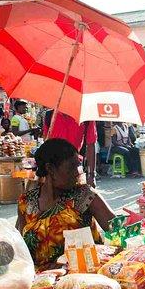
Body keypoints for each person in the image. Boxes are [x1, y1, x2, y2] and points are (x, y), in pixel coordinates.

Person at [17, 138, 115, 269]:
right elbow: (21, 248)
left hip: (85, 278)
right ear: (50, 169)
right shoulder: (26, 202)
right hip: (42, 281)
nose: (76, 173)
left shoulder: (85, 195)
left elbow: (117, 229)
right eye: (71, 167)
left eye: (77, 166)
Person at [43, 111, 97, 188]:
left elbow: (91, 144)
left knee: (75, 197)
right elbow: (46, 143)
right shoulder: (50, 115)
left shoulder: (86, 117)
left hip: (73, 168)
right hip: (53, 168)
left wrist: (91, 175)